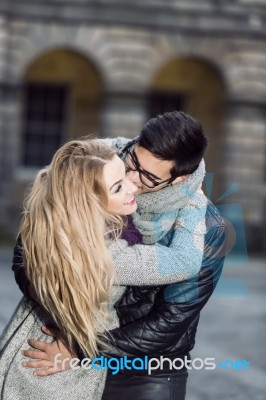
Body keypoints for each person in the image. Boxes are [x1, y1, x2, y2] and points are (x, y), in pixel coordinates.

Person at [18, 111, 227, 400]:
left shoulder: (207, 228)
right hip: (67, 351)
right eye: (133, 162)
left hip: (145, 372)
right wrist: (64, 312)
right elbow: (32, 246)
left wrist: (82, 348)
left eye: (148, 177)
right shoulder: (100, 169)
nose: (132, 178)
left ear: (180, 179)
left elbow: (171, 320)